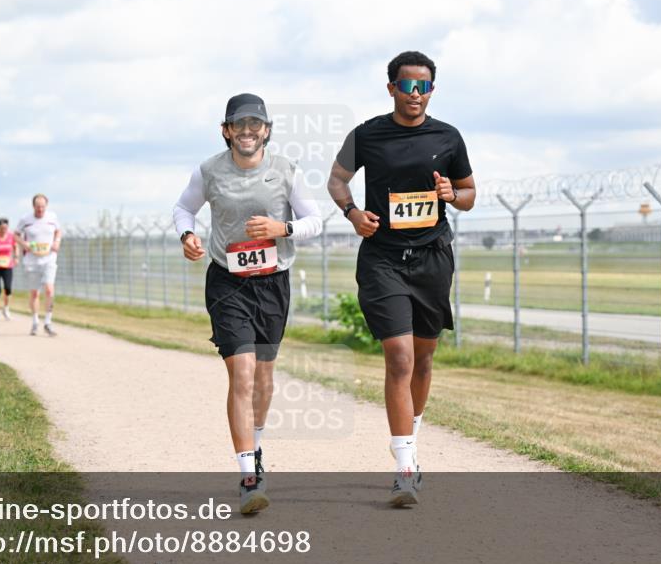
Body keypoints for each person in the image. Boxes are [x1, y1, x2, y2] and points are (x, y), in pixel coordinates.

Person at [328, 51, 476, 506]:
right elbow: (336, 180)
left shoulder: (448, 137)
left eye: (424, 87)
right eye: (407, 86)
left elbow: (469, 194)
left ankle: (409, 437)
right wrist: (353, 213)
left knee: (425, 360)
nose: (416, 94)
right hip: (383, 259)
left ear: (432, 90)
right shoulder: (368, 134)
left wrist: (455, 193)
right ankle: (404, 467)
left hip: (432, 258)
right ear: (390, 87)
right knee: (399, 356)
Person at [173, 93, 322, 514]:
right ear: (226, 131)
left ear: (267, 131)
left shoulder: (286, 171)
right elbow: (184, 208)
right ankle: (247, 476)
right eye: (240, 125)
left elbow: (315, 221)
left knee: (263, 380)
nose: (248, 131)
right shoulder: (210, 171)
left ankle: (255, 447)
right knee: (241, 373)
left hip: (273, 284)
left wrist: (282, 227)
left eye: (256, 124)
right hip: (227, 282)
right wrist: (188, 236)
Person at [15, 194, 61, 337]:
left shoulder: (52, 217)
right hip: (32, 260)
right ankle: (35, 321)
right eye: (37, 206)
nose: (40, 209)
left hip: (49, 258)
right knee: (35, 292)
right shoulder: (25, 219)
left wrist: (56, 242)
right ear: (33, 206)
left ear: (46, 206)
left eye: (43, 206)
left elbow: (58, 231)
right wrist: (24, 244)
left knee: (49, 290)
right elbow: (15, 235)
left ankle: (48, 322)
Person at [0, 217, 18, 321]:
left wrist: (16, 257)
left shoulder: (11, 236)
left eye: (5, 228)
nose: (4, 230)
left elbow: (16, 247)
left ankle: (6, 308)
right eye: (2, 228)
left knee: (8, 288)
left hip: (7, 265)